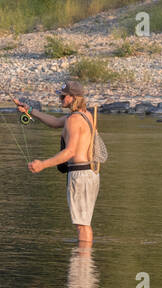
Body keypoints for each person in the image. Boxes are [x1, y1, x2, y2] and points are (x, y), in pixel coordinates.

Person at [15, 80, 99, 244]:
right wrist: (30, 111)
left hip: (80, 175)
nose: (60, 99)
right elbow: (54, 122)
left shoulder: (74, 120)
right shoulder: (85, 115)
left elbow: (69, 152)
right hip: (90, 173)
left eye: (62, 97)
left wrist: (42, 164)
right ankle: (84, 263)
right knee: (84, 223)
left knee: (82, 225)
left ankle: (82, 265)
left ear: (73, 97)